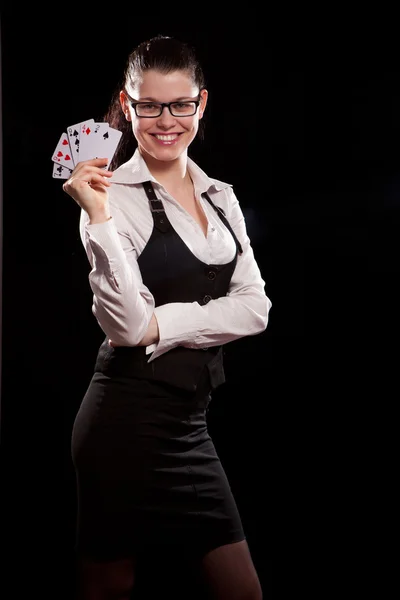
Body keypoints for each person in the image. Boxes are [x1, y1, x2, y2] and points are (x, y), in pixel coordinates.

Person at [63, 34, 272, 599]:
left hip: (189, 427)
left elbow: (257, 308)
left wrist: (166, 324)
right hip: (121, 427)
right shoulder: (109, 199)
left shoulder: (221, 197)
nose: (165, 121)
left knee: (242, 590)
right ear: (128, 107)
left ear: (200, 105)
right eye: (149, 105)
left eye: (180, 104)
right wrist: (99, 217)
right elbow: (127, 328)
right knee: (109, 587)